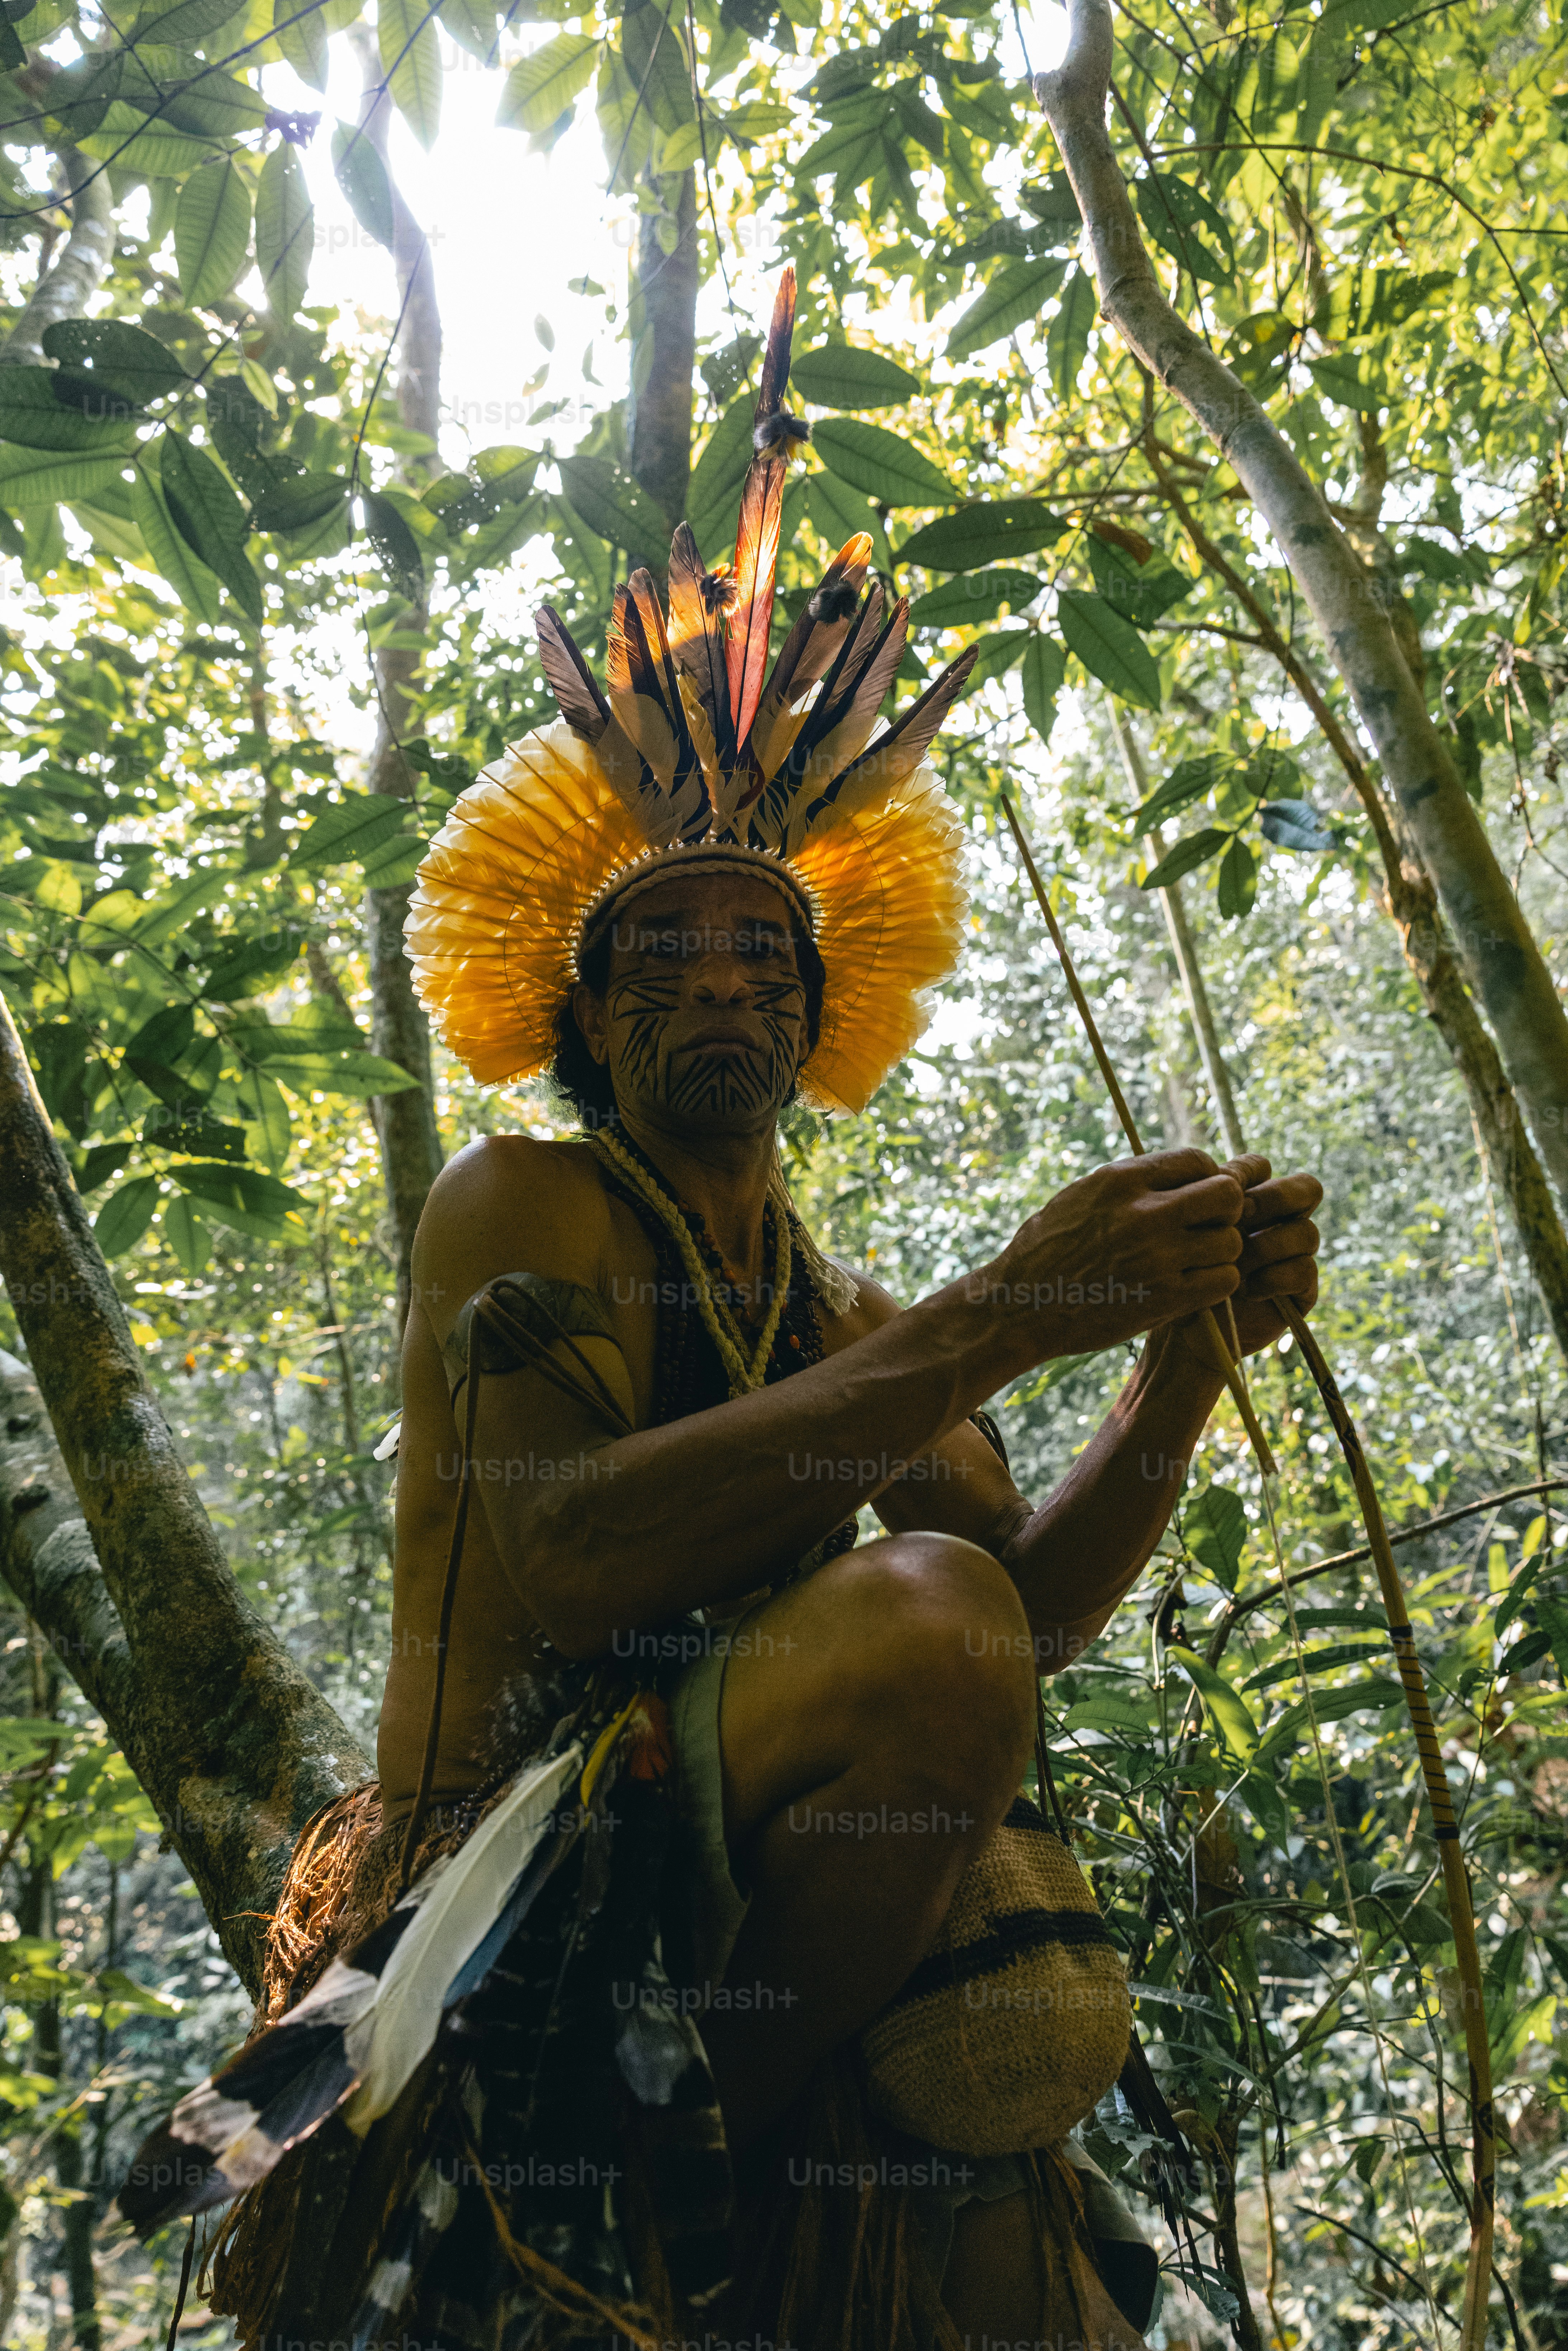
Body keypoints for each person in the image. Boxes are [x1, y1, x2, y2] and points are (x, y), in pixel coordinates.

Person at [123, 270, 1320, 2351]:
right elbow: (574, 1555)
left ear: (822, 1011)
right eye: (661, 958)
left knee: (949, 1614)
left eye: (764, 961)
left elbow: (1015, 1627)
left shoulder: (839, 1302)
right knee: (917, 1606)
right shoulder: (527, 1208)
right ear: (577, 1015)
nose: (720, 988)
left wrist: (1174, 1368)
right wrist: (994, 1319)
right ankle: (652, 2206)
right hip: (513, 1867)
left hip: (740, 1840)